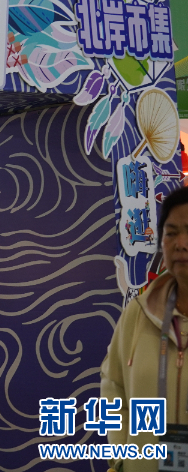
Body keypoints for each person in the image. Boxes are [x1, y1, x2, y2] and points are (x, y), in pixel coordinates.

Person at [102, 187, 188, 471]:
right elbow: (113, 385)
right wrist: (120, 456)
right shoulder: (139, 313)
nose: (181, 244)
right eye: (171, 233)